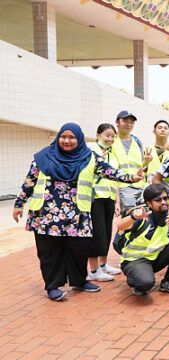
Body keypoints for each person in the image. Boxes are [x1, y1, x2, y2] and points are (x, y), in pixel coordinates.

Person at [12, 123, 142, 301]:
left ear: (79, 139)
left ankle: (79, 281)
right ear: (58, 138)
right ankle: (53, 286)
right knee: (50, 252)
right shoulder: (43, 157)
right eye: (63, 136)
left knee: (79, 249)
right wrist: (19, 203)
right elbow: (30, 181)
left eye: (72, 137)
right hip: (46, 214)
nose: (67, 140)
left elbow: (108, 171)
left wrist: (131, 177)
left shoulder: (89, 157)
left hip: (77, 213)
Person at [117, 184, 169, 296]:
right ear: (149, 203)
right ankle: (136, 279)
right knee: (145, 283)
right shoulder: (143, 214)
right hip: (135, 260)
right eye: (158, 200)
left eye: (165, 198)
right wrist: (133, 217)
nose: (163, 202)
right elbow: (120, 226)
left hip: (155, 257)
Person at [86, 124, 123, 282]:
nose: (110, 139)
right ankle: (93, 271)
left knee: (107, 232)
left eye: (113, 136)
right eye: (107, 135)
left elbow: (114, 179)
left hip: (108, 197)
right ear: (98, 134)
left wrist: (117, 202)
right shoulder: (90, 149)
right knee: (97, 233)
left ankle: (103, 265)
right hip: (94, 197)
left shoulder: (112, 154)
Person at [113, 110, 148, 209]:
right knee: (130, 218)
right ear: (117, 122)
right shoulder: (111, 140)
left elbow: (142, 165)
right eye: (125, 121)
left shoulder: (137, 141)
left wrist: (147, 162)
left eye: (131, 122)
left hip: (140, 186)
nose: (128, 124)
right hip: (122, 187)